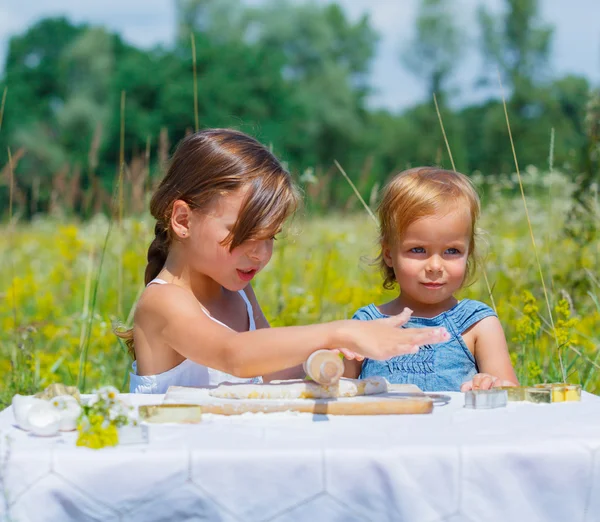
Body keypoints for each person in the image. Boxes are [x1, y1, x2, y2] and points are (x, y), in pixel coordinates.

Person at [117, 130, 449, 393]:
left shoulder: (240, 294)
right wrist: (337, 332)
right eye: (244, 234)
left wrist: (334, 359)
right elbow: (233, 355)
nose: (259, 254)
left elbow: (269, 372)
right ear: (183, 220)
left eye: (269, 237)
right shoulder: (163, 301)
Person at [345, 167, 518, 392]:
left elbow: (511, 395)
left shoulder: (478, 324)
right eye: (418, 250)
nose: (435, 266)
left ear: (469, 253)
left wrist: (490, 385)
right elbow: (340, 394)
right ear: (389, 253)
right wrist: (325, 367)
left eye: (452, 251)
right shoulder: (367, 323)